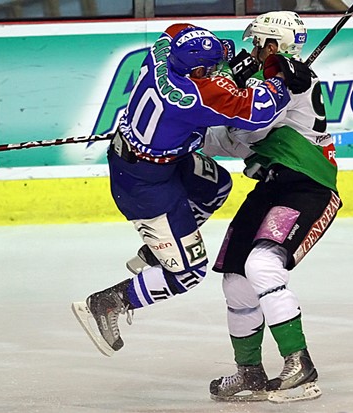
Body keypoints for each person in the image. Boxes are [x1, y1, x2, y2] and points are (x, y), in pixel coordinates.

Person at [71, 23, 299, 358]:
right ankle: (108, 303)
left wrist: (224, 58)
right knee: (189, 273)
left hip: (157, 159)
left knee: (217, 186)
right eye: (207, 68)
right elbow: (259, 110)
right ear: (195, 71)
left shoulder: (162, 53)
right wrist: (280, 80)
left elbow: (177, 30)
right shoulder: (193, 98)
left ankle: (157, 250)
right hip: (145, 185)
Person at [203, 11, 341, 403]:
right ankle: (249, 372)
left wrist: (249, 84)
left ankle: (299, 362)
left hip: (306, 187)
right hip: (271, 187)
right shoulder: (262, 84)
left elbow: (253, 127)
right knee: (235, 280)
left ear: (269, 45)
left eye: (256, 43)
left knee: (262, 265)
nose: (250, 49)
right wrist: (180, 133)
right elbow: (232, 141)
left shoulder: (294, 79)